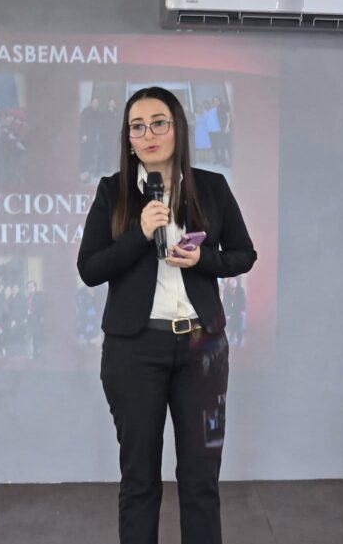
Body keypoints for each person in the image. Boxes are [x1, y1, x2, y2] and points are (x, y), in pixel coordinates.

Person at [77, 86, 256, 544]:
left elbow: (244, 254)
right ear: (127, 139)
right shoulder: (112, 192)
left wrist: (203, 260)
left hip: (202, 349)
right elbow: (90, 269)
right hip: (135, 351)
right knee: (139, 479)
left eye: (159, 123)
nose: (149, 134)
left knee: (201, 479)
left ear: (178, 128)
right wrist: (138, 234)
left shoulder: (211, 187)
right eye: (137, 127)